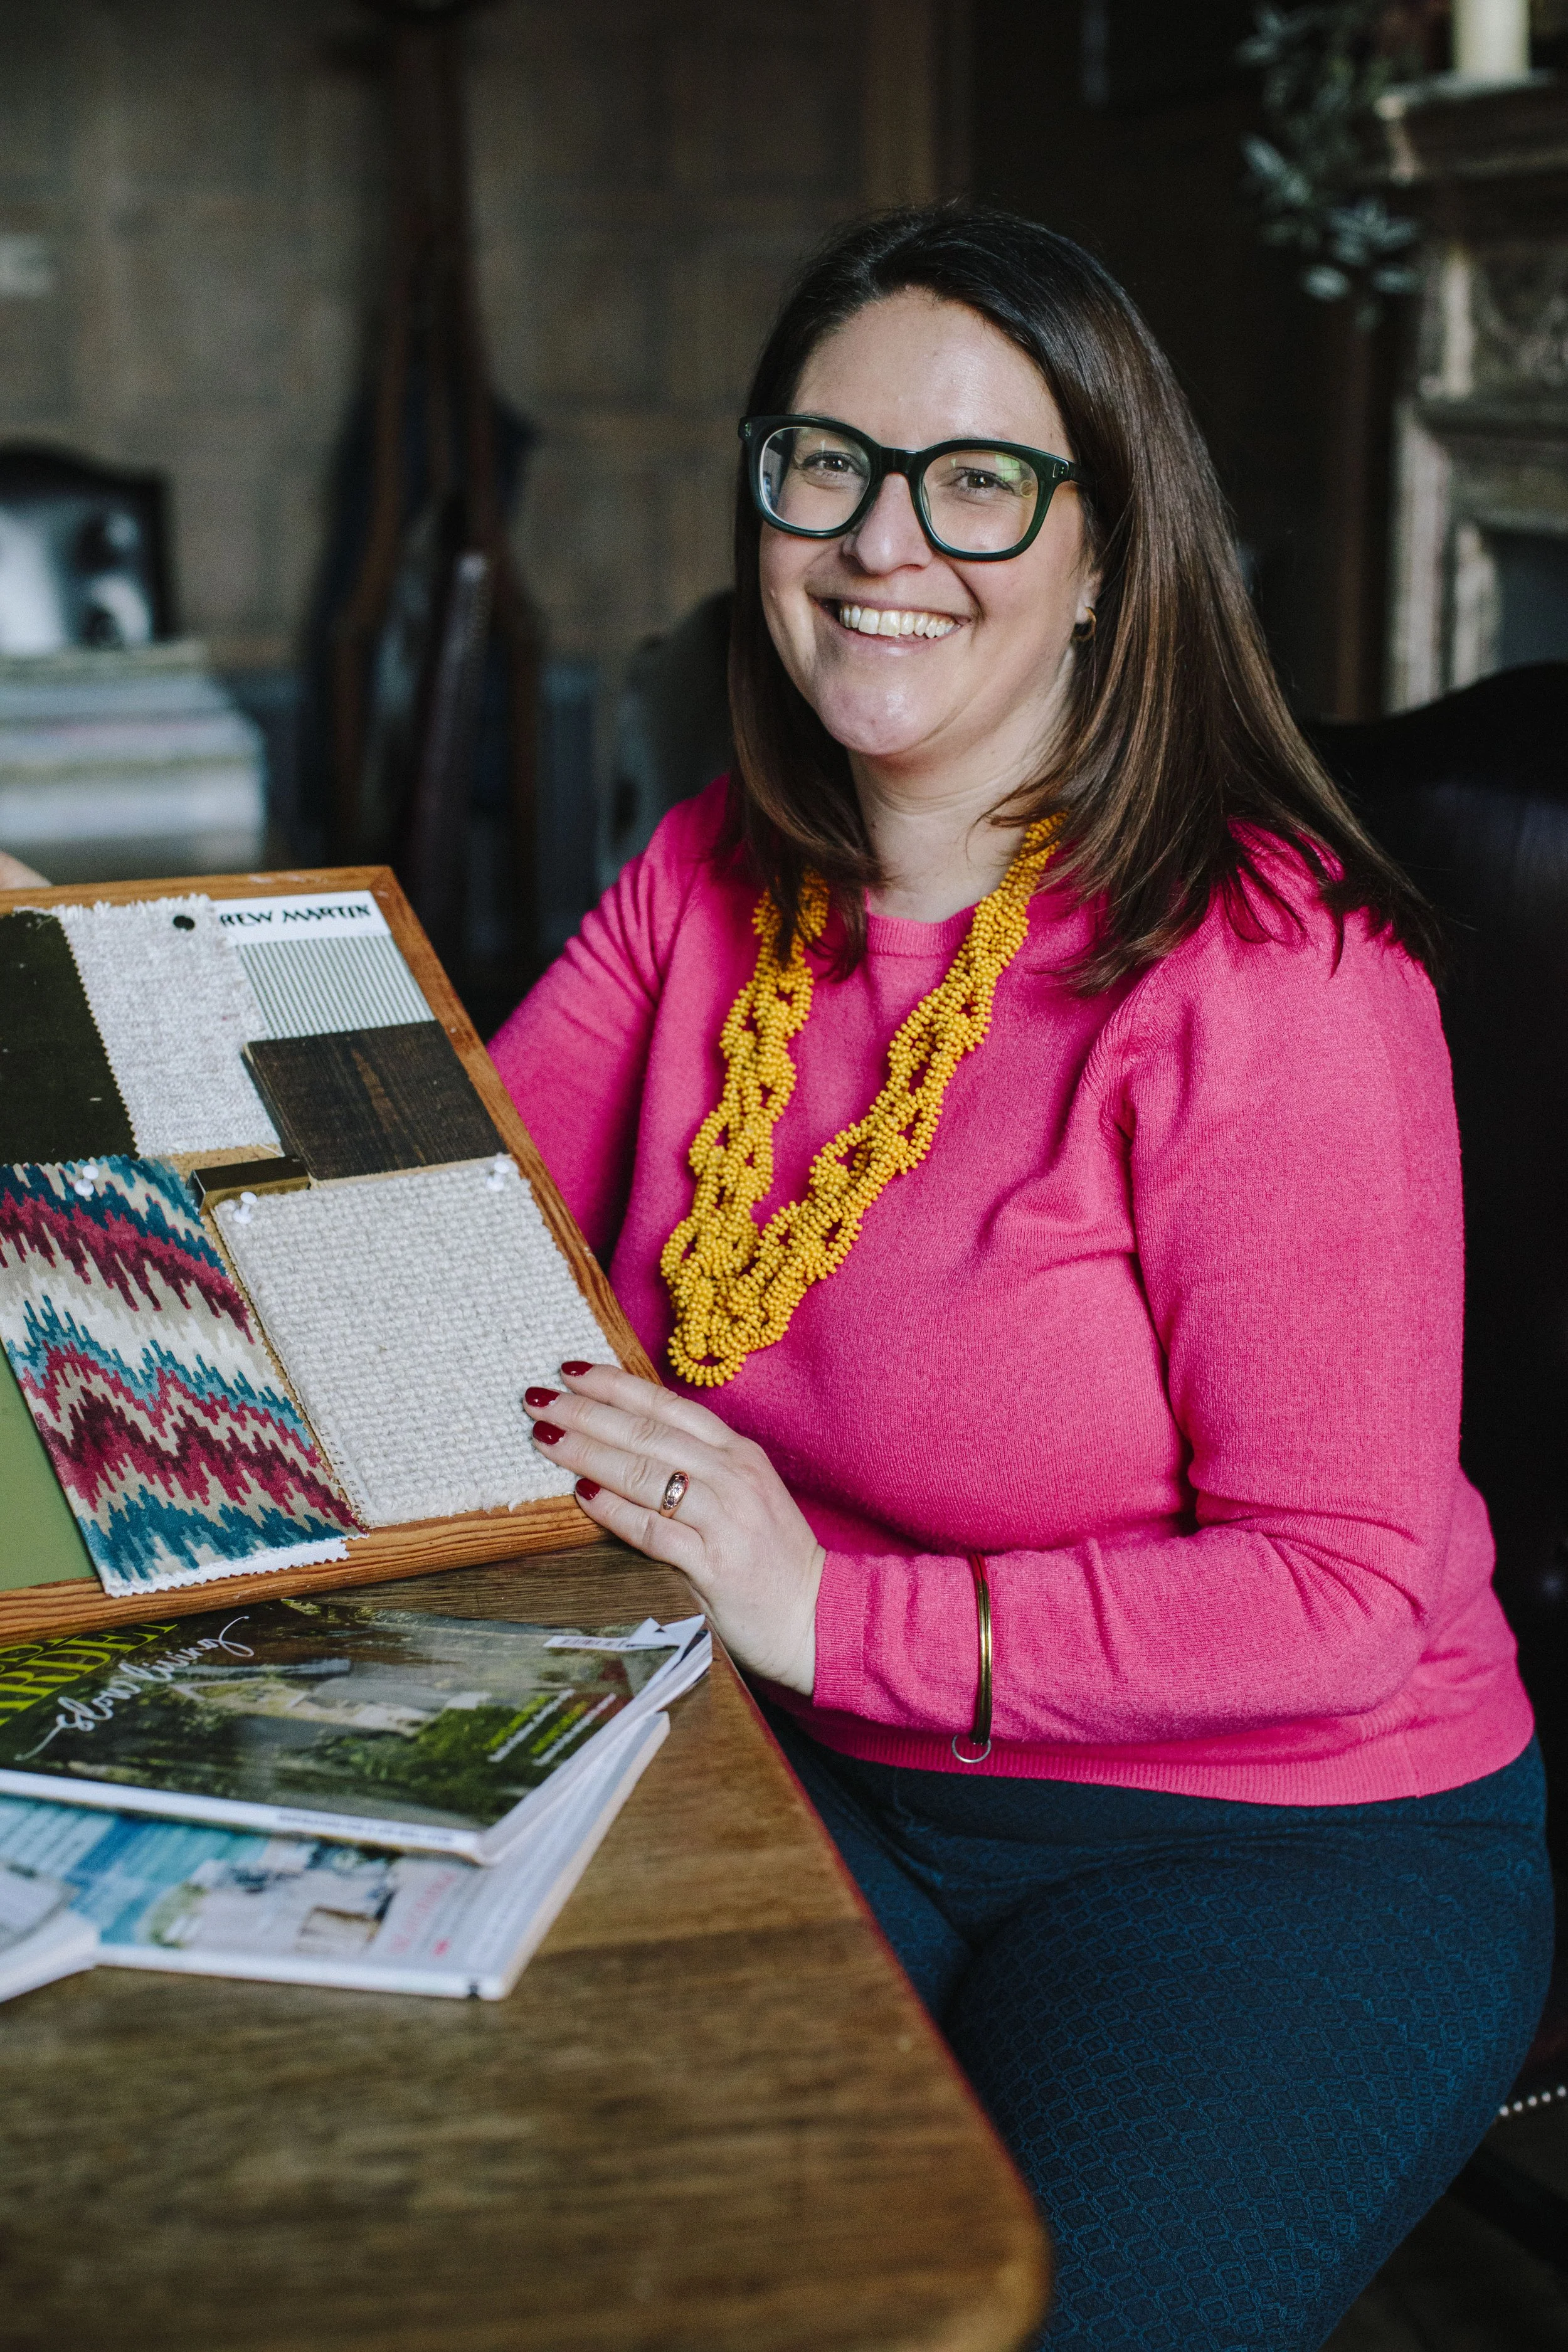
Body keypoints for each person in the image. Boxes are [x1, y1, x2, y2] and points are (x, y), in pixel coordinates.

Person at [490, 206, 1550, 2349]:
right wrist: (96, 981)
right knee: (529, 2246)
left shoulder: (1274, 975)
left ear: (1108, 550)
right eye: (824, 464)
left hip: (1266, 1846)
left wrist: (821, 1605)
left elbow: (1338, 1584)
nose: (884, 543)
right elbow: (450, 1221)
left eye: (979, 480)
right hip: (807, 1762)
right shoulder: (710, 865)